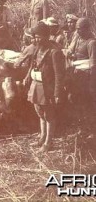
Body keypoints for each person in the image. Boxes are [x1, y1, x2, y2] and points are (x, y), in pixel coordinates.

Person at [26, 22, 65, 152]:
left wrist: (57, 93)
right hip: (36, 84)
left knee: (49, 115)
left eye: (39, 37)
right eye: (35, 36)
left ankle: (48, 142)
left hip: (47, 87)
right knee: (40, 113)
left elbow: (59, 75)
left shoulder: (55, 52)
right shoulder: (37, 48)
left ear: (47, 36)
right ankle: (42, 138)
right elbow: (33, 64)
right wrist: (27, 76)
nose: (36, 39)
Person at [66, 18, 96, 133]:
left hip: (86, 77)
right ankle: (81, 125)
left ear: (87, 29)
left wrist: (92, 85)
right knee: (74, 98)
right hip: (77, 76)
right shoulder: (78, 38)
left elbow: (93, 65)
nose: (78, 31)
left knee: (86, 103)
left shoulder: (92, 42)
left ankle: (89, 129)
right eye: (77, 29)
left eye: (80, 29)